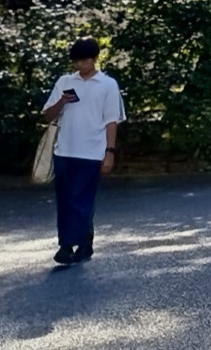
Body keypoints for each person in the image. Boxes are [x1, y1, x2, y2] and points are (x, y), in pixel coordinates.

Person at [39, 37, 125, 265]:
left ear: (94, 59)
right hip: (64, 149)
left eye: (84, 61)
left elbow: (111, 121)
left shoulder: (107, 84)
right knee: (66, 199)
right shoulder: (65, 81)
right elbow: (47, 115)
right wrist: (61, 102)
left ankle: (72, 244)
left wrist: (110, 152)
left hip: (92, 151)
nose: (79, 66)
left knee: (81, 199)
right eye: (76, 61)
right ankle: (74, 243)